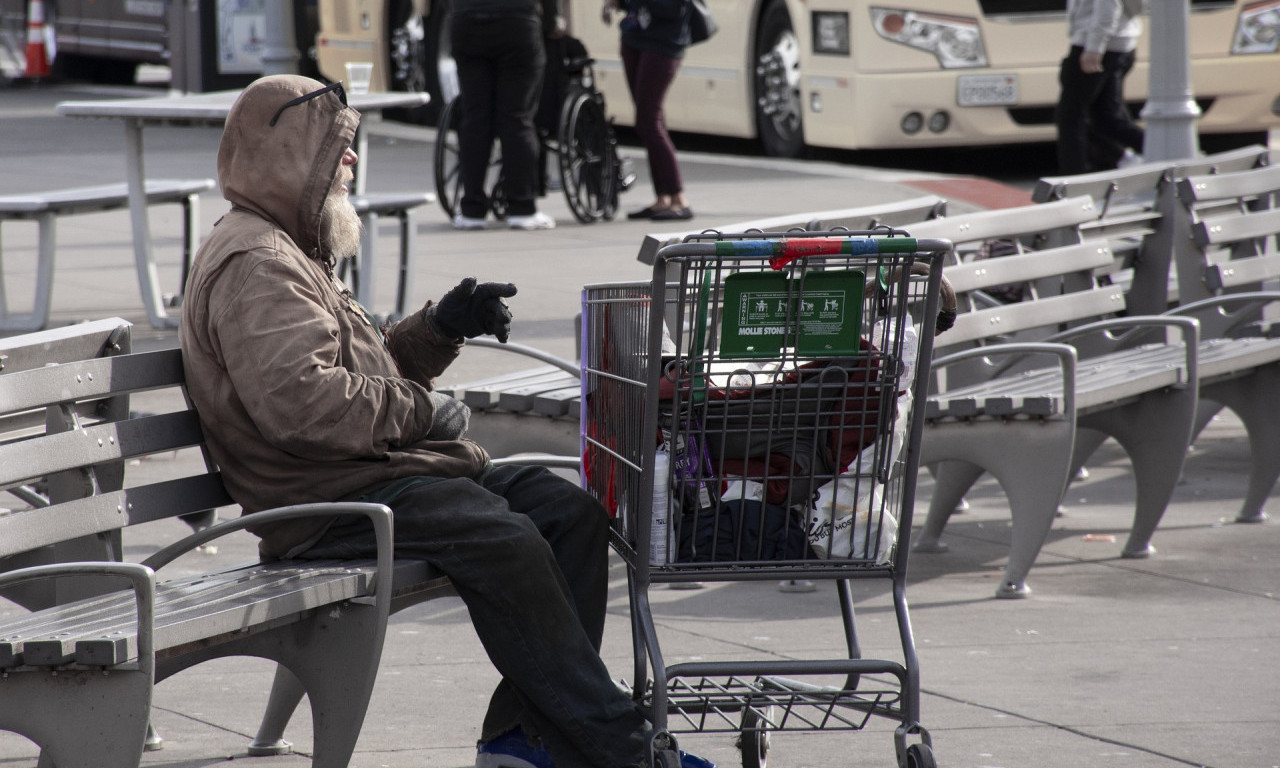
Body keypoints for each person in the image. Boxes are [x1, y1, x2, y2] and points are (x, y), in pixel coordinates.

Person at [179, 75, 714, 768]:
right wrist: (425, 412)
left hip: (367, 474)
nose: (351, 160)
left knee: (569, 514)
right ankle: (623, 749)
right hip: (323, 502)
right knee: (504, 538)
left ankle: (524, 738)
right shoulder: (259, 263)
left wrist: (439, 329)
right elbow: (304, 407)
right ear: (288, 157)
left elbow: (355, 375)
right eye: (336, 148)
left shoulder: (288, 247)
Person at [451, 0, 564, 230]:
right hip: (517, 22)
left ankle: (472, 209)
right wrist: (551, 20)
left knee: (475, 118)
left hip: (467, 22)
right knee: (517, 117)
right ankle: (522, 207)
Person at [603, 0, 695, 221]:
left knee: (648, 122)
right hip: (634, 38)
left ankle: (679, 198)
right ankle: (663, 198)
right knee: (651, 121)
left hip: (663, 43)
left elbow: (673, 8)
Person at [1054, 0, 1146, 175]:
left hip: (1096, 46)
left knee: (1070, 117)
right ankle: (1160, 153)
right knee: (1107, 117)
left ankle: (1074, 179)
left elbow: (1107, 9)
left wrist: (1094, 47)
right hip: (1119, 44)